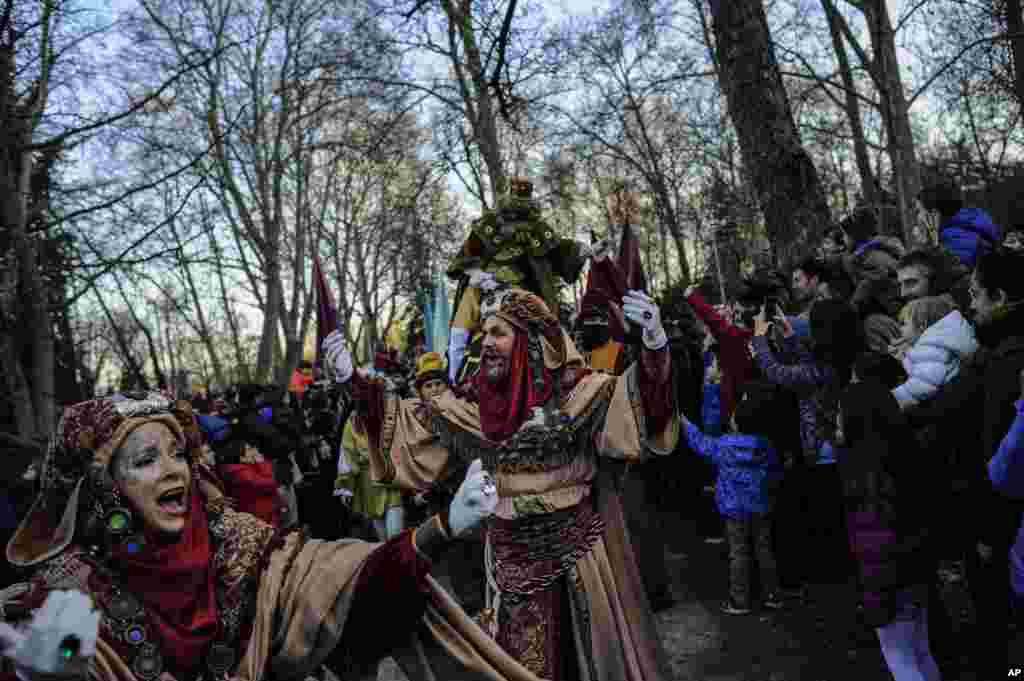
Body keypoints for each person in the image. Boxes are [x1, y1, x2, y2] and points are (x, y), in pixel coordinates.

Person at [0, 392, 498, 681]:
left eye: (179, 454)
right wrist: (36, 676)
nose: (174, 470)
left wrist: (442, 528)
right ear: (106, 487)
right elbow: (42, 654)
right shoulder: (65, 596)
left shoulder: (241, 546)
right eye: (147, 460)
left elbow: (348, 591)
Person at [326, 282, 679, 680]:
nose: (487, 343)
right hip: (508, 567)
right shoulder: (471, 406)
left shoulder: (578, 395)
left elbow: (644, 407)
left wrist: (655, 342)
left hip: (579, 563)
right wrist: (353, 381)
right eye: (484, 334)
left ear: (529, 341)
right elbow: (410, 426)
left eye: (499, 333)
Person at [750, 299, 861, 584]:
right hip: (830, 450)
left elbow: (779, 373)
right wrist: (789, 338)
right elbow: (806, 364)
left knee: (830, 518)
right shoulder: (837, 361)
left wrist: (759, 339)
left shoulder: (824, 371)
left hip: (825, 454)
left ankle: (836, 574)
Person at [837, 378, 941, 681]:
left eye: (842, 411)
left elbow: (876, 548)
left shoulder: (866, 475)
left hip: (890, 584)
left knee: (900, 659)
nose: (837, 418)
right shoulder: (908, 453)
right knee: (920, 651)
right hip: (917, 572)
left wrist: (877, 601)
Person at [446, 178, 587, 386]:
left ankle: (568, 368)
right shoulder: (488, 226)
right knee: (464, 341)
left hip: (524, 302)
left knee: (546, 326)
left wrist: (581, 251)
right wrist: (476, 273)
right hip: (484, 305)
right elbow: (466, 255)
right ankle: (458, 379)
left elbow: (557, 249)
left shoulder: (539, 230)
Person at [681, 386, 784, 614]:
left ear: (736, 422)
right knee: (765, 551)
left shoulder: (724, 445)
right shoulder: (766, 445)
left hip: (734, 508)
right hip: (761, 506)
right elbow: (776, 473)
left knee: (738, 554)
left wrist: (684, 422)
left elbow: (700, 443)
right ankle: (772, 595)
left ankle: (740, 601)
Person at [890, 296, 977, 409]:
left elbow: (923, 385)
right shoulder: (941, 341)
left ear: (921, 326)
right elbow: (927, 373)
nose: (900, 329)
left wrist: (894, 397)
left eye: (904, 324)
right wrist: (905, 358)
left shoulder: (931, 345)